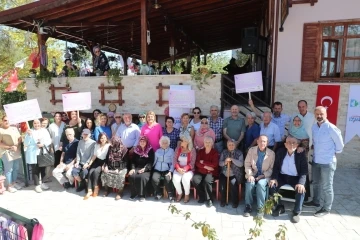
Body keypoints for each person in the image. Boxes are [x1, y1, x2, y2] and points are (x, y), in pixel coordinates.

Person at [303, 106, 344, 217]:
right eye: (317, 114)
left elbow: (340, 146)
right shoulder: (314, 128)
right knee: (315, 183)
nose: (319, 116)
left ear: (326, 114)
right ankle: (316, 201)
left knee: (327, 186)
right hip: (316, 160)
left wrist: (331, 153)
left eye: (321, 114)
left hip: (328, 162)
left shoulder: (332, 128)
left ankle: (326, 208)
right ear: (315, 115)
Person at [269, 136, 308, 223]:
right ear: (285, 145)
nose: (291, 144)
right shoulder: (280, 152)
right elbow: (276, 167)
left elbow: (304, 171)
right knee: (272, 185)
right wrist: (274, 178)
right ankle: (279, 206)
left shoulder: (301, 154)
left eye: (294, 142)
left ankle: (296, 212)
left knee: (301, 189)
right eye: (289, 142)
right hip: (282, 176)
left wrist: (301, 183)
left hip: (295, 178)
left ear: (297, 145)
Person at [243, 135, 275, 218]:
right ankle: (248, 206)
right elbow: (247, 164)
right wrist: (250, 174)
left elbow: (271, 169)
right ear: (257, 142)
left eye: (264, 141)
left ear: (267, 143)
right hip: (253, 174)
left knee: (261, 184)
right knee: (250, 183)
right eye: (260, 141)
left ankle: (260, 208)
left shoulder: (271, 153)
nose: (262, 143)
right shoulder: (251, 150)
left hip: (265, 176)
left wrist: (263, 176)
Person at [24, 119, 52, 193]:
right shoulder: (30, 131)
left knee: (43, 168)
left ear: (40, 123)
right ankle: (37, 185)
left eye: (38, 123)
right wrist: (29, 136)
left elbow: (49, 140)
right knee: (35, 170)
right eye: (35, 123)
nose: (36, 124)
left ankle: (43, 183)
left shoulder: (44, 130)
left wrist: (43, 144)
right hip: (33, 153)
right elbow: (26, 143)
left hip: (42, 152)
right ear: (33, 124)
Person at [83, 132, 111, 200]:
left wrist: (105, 165)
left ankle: (96, 188)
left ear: (106, 138)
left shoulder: (109, 146)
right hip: (97, 161)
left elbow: (109, 157)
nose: (103, 139)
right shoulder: (97, 145)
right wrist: (89, 164)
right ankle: (89, 190)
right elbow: (94, 155)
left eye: (104, 138)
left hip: (104, 162)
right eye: (101, 138)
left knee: (96, 172)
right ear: (99, 139)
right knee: (90, 172)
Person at [193, 136, 219, 207]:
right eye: (206, 142)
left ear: (212, 143)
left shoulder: (215, 153)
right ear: (204, 143)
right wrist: (206, 166)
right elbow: (197, 163)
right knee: (195, 179)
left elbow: (214, 164)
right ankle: (202, 196)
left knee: (207, 181)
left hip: (211, 172)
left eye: (209, 142)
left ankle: (209, 199)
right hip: (201, 171)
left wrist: (203, 162)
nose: (207, 144)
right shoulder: (200, 152)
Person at [219, 139, 244, 208]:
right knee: (222, 185)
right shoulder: (224, 152)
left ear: (235, 145)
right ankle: (223, 200)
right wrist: (225, 162)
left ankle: (235, 202)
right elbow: (220, 163)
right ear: (227, 146)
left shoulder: (239, 153)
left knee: (233, 184)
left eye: (232, 145)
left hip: (234, 174)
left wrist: (232, 159)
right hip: (224, 173)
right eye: (229, 145)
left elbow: (241, 164)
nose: (231, 146)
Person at [0, 116, 22, 193]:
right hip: (6, 152)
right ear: (2, 121)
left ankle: (13, 183)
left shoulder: (14, 128)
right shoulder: (0, 130)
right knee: (9, 170)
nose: (7, 122)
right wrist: (9, 147)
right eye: (5, 120)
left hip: (15, 151)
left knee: (16, 168)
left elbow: (20, 138)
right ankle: (9, 186)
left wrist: (16, 146)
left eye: (8, 120)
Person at [101, 136, 128, 200]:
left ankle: (120, 192)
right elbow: (107, 158)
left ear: (116, 142)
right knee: (104, 173)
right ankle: (107, 190)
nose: (111, 144)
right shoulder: (110, 148)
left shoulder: (124, 149)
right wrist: (106, 166)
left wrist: (119, 169)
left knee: (121, 176)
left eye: (113, 142)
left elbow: (126, 162)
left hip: (121, 167)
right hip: (111, 166)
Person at [128, 136, 154, 201]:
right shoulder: (136, 150)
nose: (142, 143)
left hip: (146, 169)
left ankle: (142, 195)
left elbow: (151, 162)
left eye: (144, 141)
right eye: (141, 141)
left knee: (142, 177)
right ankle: (134, 193)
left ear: (146, 142)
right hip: (137, 167)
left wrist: (145, 169)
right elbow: (133, 161)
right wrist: (133, 168)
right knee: (132, 176)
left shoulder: (150, 150)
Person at [172, 135, 196, 203]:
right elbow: (174, 159)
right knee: (175, 179)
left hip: (189, 169)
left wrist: (185, 169)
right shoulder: (178, 148)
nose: (181, 141)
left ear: (187, 142)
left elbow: (192, 162)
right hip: (178, 168)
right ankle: (180, 193)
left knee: (185, 179)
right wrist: (178, 168)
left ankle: (187, 194)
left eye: (182, 140)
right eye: (181, 140)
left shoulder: (192, 150)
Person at [152, 136, 175, 202]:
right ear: (160, 144)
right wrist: (150, 168)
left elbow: (173, 162)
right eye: (163, 143)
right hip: (157, 168)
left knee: (167, 179)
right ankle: (159, 193)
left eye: (166, 143)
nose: (164, 144)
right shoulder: (157, 151)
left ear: (168, 143)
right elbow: (154, 161)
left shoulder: (171, 151)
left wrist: (171, 171)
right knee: (154, 179)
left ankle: (170, 194)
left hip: (167, 169)